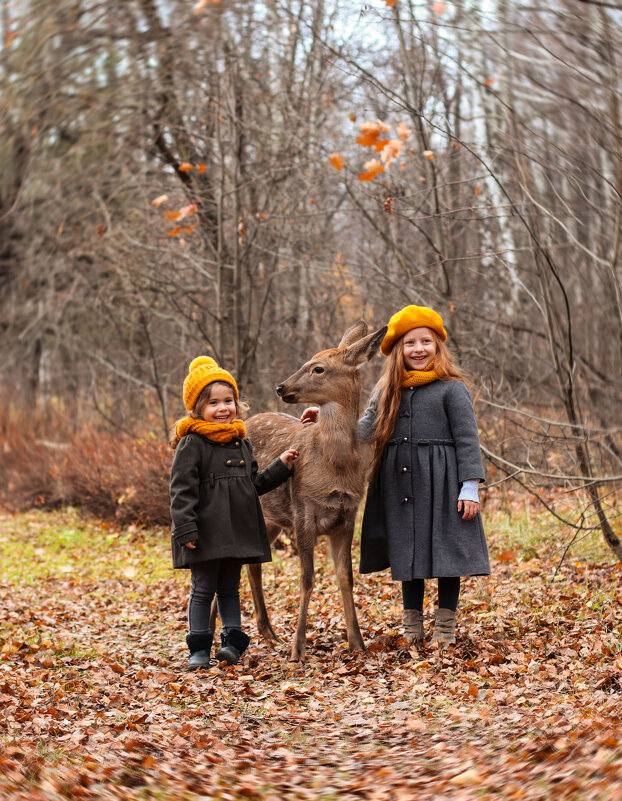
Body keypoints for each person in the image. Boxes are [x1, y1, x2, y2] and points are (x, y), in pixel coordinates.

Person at [302, 305, 489, 649]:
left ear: (437, 346)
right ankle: (413, 625)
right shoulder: (387, 388)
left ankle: (445, 627)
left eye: (425, 342)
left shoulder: (452, 389)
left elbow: (467, 439)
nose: (418, 350)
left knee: (446, 553)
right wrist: (326, 417)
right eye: (410, 343)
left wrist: (470, 486)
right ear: (397, 350)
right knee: (409, 553)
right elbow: (364, 429)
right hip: (399, 482)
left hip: (443, 479)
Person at [169, 356, 298, 669]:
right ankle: (199, 647)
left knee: (229, 588)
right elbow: (180, 491)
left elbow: (253, 485)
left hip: (236, 532)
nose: (223, 408)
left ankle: (231, 643)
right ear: (197, 408)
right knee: (202, 590)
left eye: (229, 400)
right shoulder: (192, 444)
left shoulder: (242, 443)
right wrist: (185, 529)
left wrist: (281, 466)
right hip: (205, 532)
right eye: (213, 403)